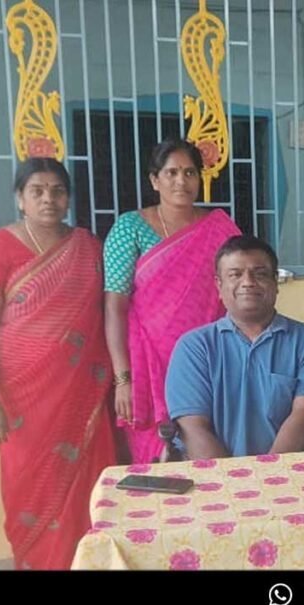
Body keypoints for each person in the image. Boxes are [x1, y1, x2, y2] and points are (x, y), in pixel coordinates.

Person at [0, 158, 116, 569]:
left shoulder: (89, 247)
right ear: (20, 199)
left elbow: (104, 316)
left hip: (84, 392)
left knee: (91, 485)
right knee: (28, 487)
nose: (49, 199)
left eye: (58, 190)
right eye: (37, 190)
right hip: (23, 398)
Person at [104, 138, 241, 463]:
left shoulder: (219, 229)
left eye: (190, 172)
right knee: (156, 461)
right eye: (172, 172)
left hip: (207, 361)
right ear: (155, 180)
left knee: (209, 450)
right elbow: (115, 306)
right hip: (147, 366)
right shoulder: (131, 228)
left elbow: (236, 292)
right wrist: (124, 379)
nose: (181, 181)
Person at [165, 235, 304, 457]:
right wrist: (231, 483)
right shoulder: (194, 347)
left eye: (260, 274)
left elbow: (303, 417)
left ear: (276, 283)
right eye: (235, 274)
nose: (248, 282)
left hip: (290, 473)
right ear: (219, 285)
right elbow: (194, 428)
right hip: (211, 477)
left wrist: (269, 476)